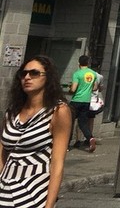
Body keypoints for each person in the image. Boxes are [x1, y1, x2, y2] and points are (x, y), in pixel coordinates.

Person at [1, 55, 72, 208]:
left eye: (34, 73)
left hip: (33, 194)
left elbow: (57, 163)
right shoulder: (12, 112)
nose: (27, 77)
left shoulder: (58, 111)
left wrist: (49, 205)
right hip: (4, 191)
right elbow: (2, 154)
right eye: (23, 74)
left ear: (48, 78)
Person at [68, 55, 97, 153]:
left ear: (79, 63)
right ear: (88, 63)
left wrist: (70, 88)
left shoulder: (77, 74)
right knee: (83, 123)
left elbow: (73, 89)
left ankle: (67, 145)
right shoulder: (93, 74)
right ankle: (90, 138)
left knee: (69, 122)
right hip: (86, 102)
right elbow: (95, 88)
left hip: (76, 100)